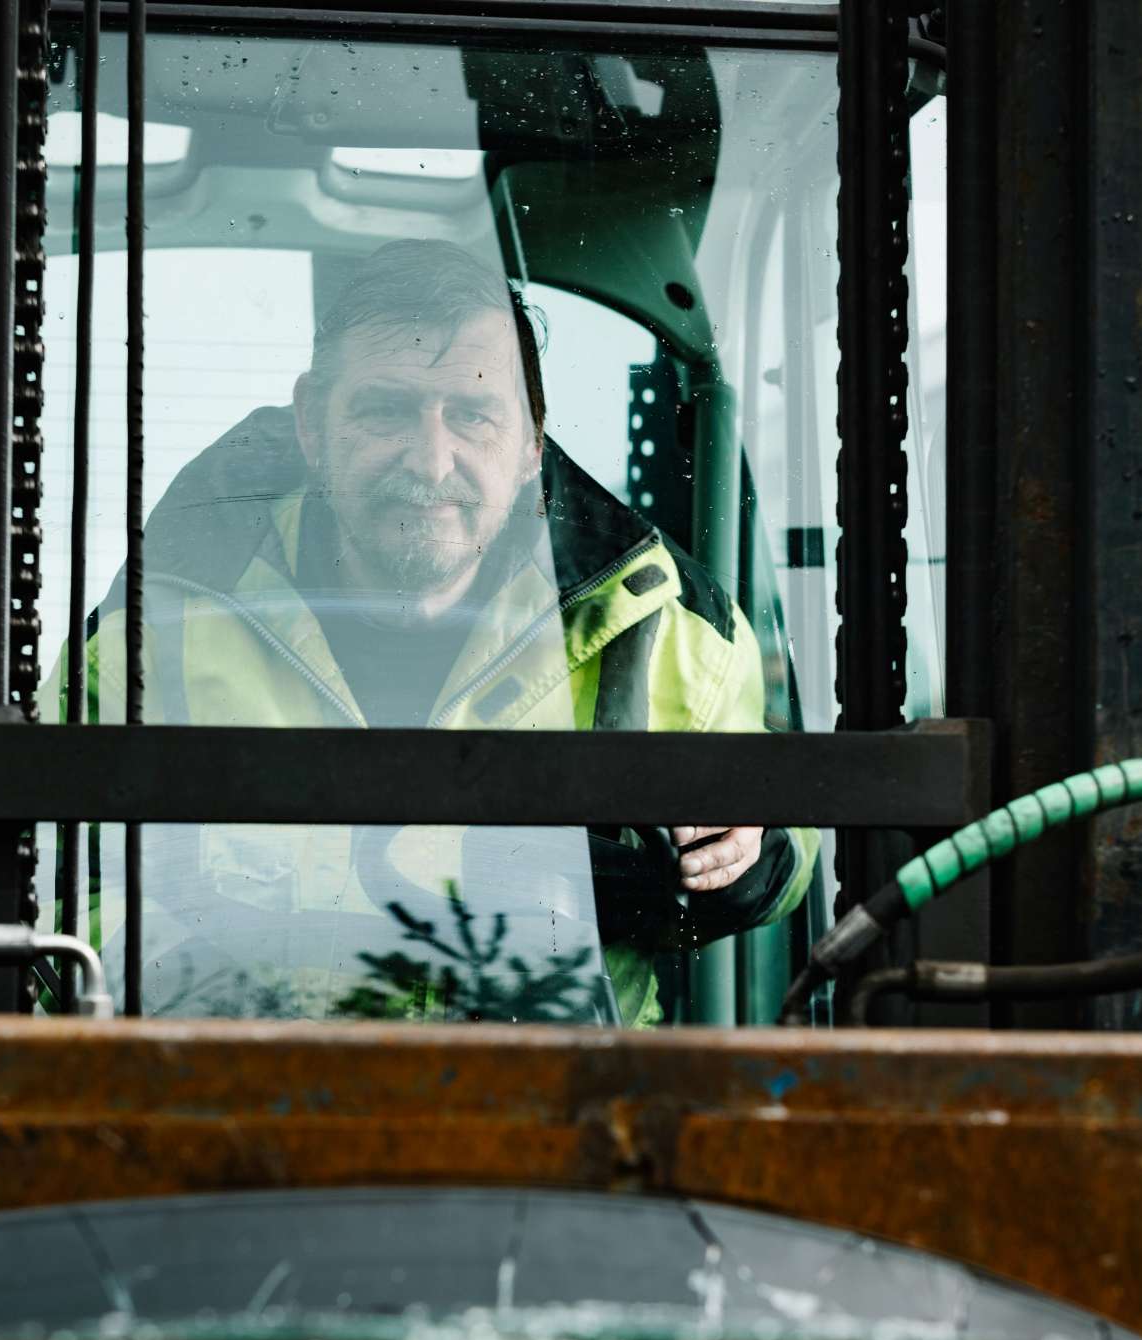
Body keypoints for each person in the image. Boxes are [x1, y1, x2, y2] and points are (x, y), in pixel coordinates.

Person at [66, 239, 815, 1025]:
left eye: (473, 414)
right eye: (386, 410)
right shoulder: (160, 631)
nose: (430, 460)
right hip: (239, 1118)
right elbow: (50, 878)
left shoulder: (661, 621)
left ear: (532, 443)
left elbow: (797, 834)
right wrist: (212, 1010)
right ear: (312, 426)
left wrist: (751, 856)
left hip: (570, 1127)